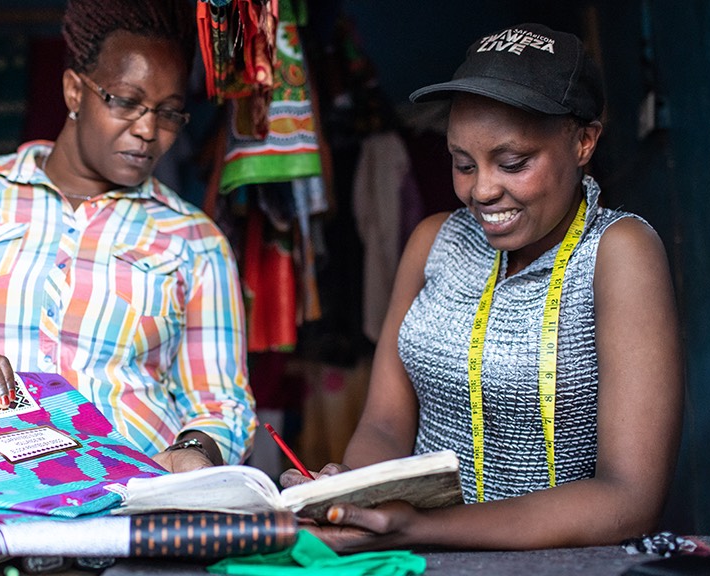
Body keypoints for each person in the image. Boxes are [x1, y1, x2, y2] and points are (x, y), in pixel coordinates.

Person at [281, 23, 683, 551]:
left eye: (513, 163)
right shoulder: (434, 241)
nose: (482, 190)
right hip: (413, 557)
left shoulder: (617, 252)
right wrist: (348, 498)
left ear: (584, 140)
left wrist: (418, 527)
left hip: (559, 564)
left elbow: (628, 498)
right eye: (462, 164)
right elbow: (384, 422)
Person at [0, 0, 255, 473]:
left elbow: (220, 403)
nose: (147, 130)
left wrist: (194, 452)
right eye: (125, 101)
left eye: (170, 113)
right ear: (74, 91)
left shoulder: (196, 240)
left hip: (134, 496)